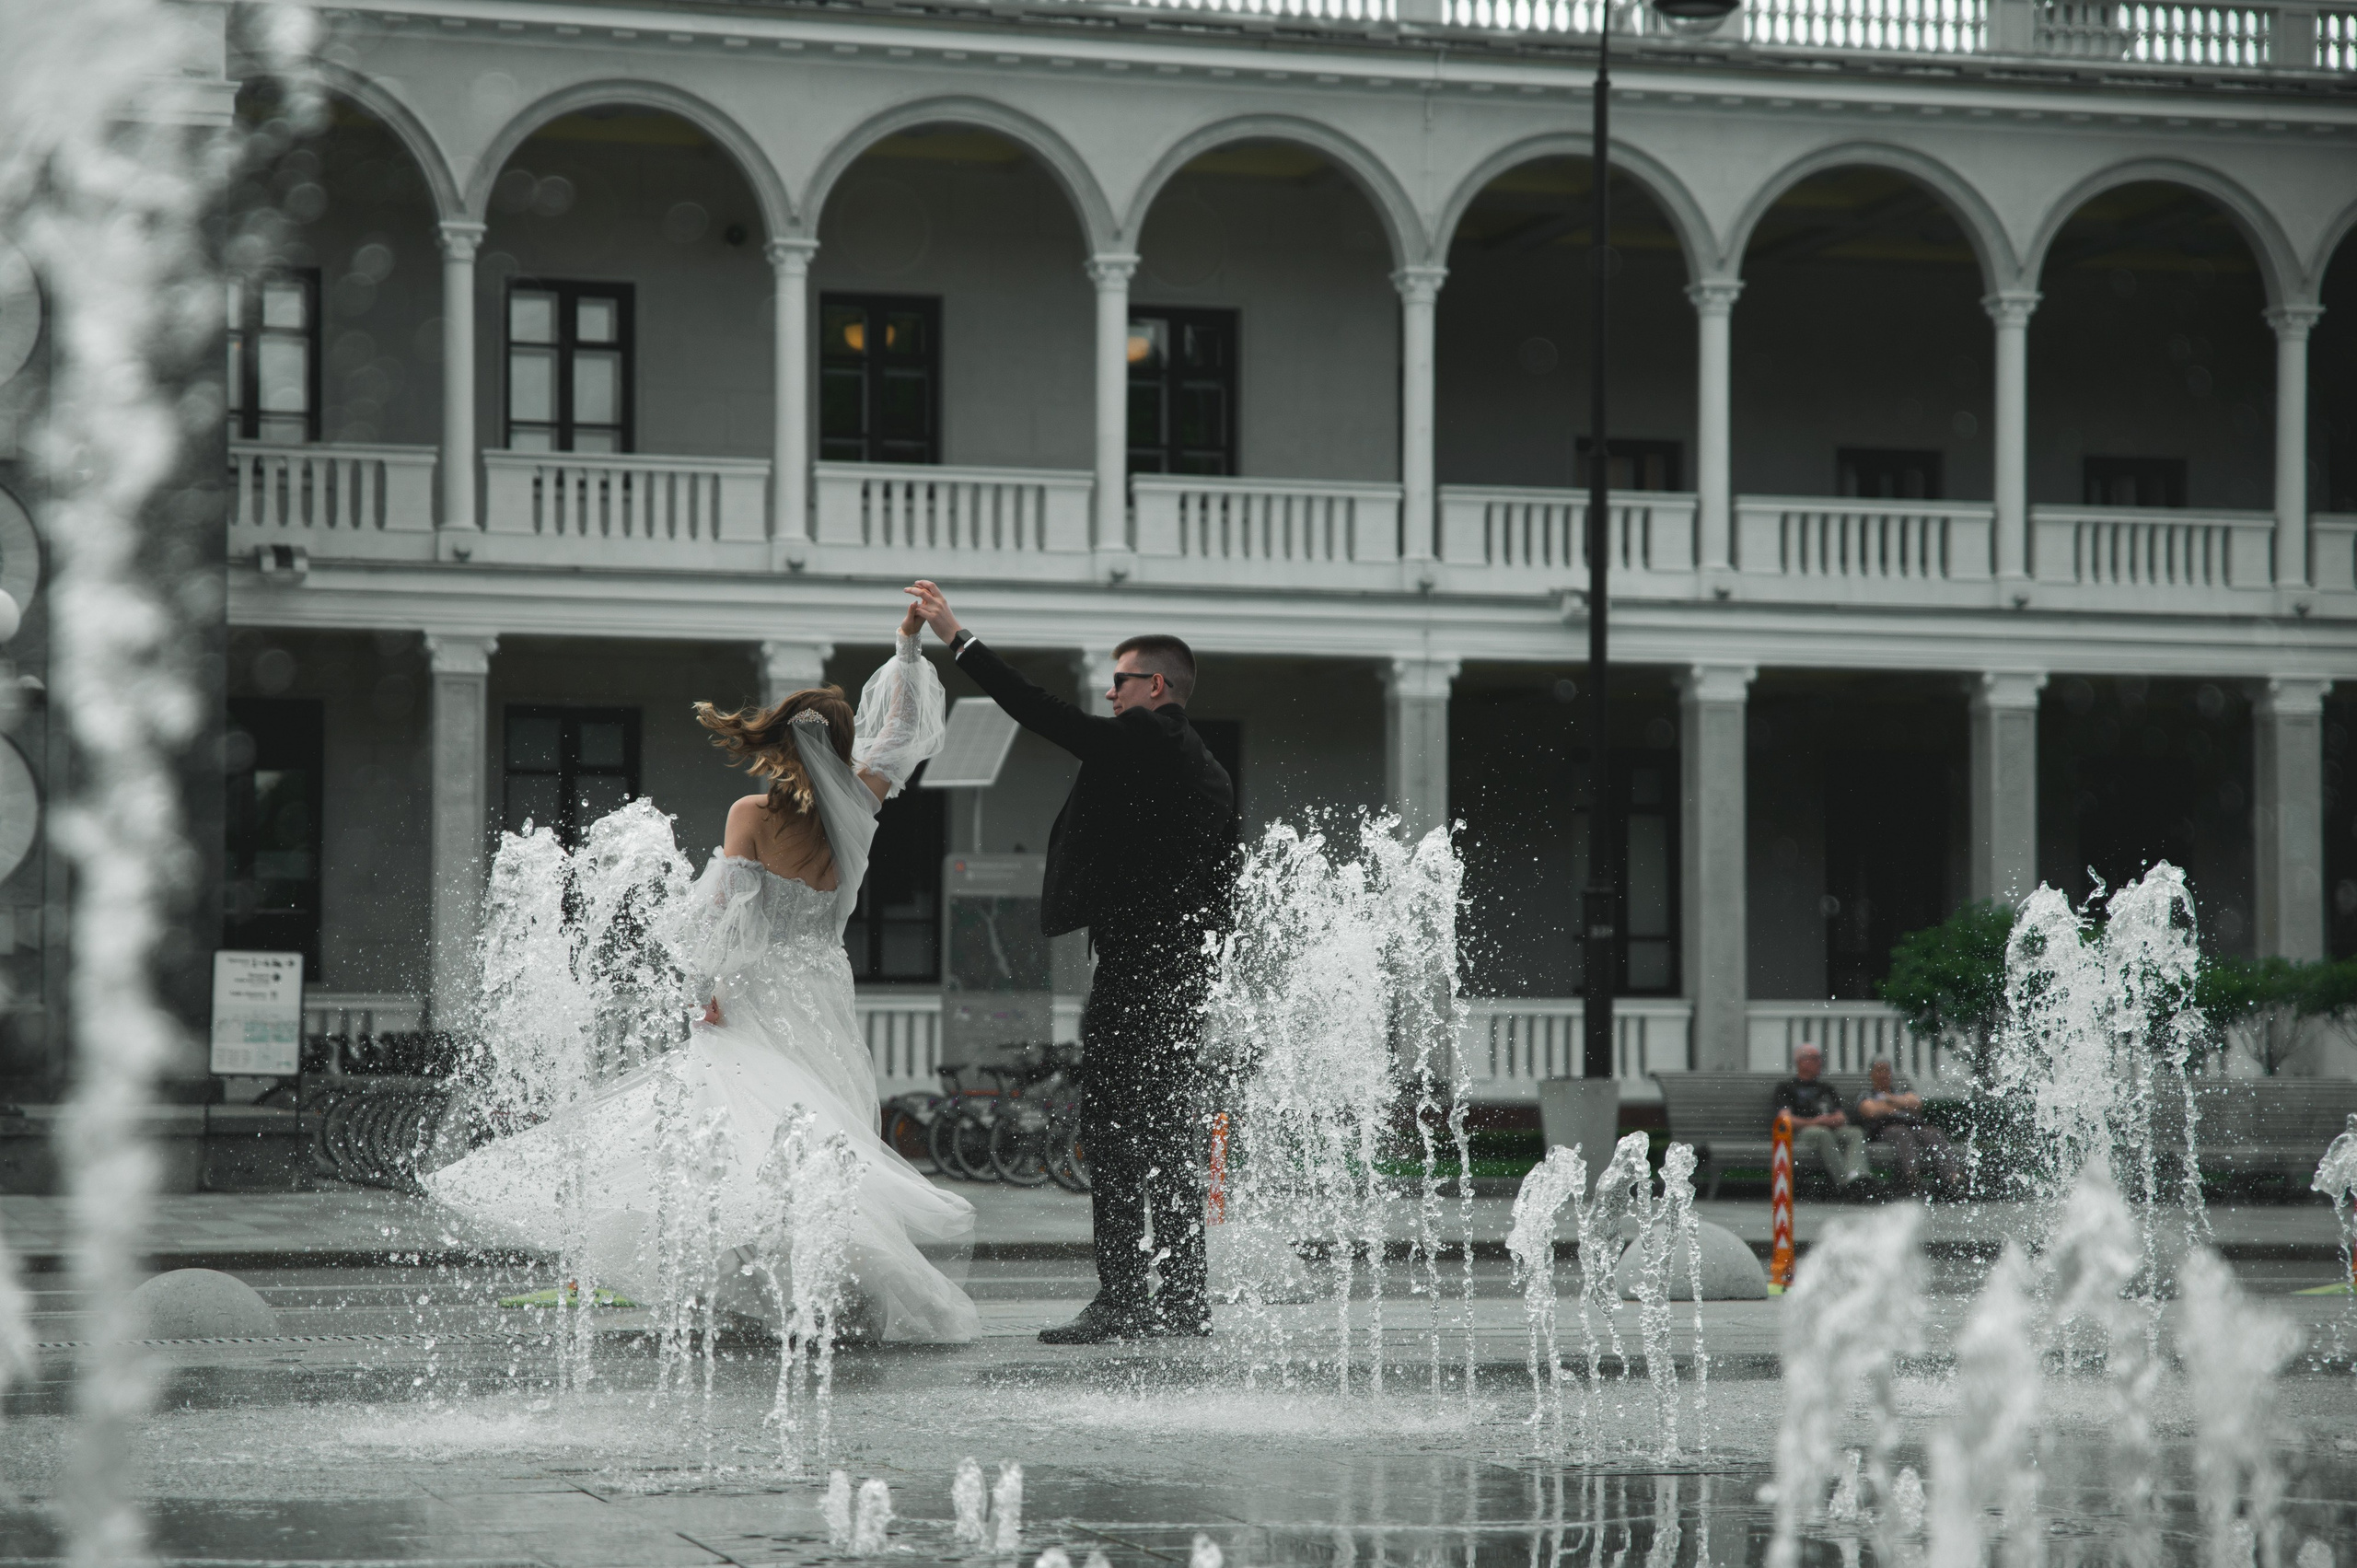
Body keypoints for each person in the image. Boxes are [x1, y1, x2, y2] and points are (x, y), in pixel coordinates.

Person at [425, 602, 981, 1344]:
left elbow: (723, 918)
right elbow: (903, 730)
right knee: (820, 1133)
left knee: (736, 1131)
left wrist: (698, 994)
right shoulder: (861, 804)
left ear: (781, 744)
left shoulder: (752, 812)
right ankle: (830, 1294)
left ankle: (753, 1290)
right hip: (823, 990)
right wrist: (908, 647)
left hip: (759, 991)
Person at [904, 579, 1238, 1344]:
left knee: (1116, 1129)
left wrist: (959, 637)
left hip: (1139, 971)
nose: (1109, 695)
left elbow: (1042, 713)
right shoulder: (1203, 765)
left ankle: (1124, 1299)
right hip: (1177, 973)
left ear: (1156, 687)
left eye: (1118, 681)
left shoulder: (1153, 737)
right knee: (1163, 1134)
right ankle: (1183, 1299)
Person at [1856, 1057, 1965, 1197]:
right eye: (1879, 1070)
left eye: (1886, 1070)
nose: (1883, 1074)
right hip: (1886, 1128)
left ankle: (1953, 1178)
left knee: (1933, 1133)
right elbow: (1871, 1111)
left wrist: (1889, 1101)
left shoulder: (1900, 1091)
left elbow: (1917, 1104)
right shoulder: (1866, 1094)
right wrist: (1901, 1104)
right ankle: (1912, 1177)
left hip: (1913, 1126)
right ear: (1872, 1074)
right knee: (1902, 1133)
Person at [1773, 1043, 1868, 1191]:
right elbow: (1785, 1119)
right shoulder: (1786, 1088)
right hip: (1804, 1132)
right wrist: (1813, 1122)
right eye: (1815, 1058)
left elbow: (1841, 1117)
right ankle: (1845, 1184)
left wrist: (1830, 1120)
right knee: (1822, 1134)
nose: (1820, 1062)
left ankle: (1858, 1175)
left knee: (1855, 1132)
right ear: (1801, 1062)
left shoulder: (1826, 1088)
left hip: (1830, 1128)